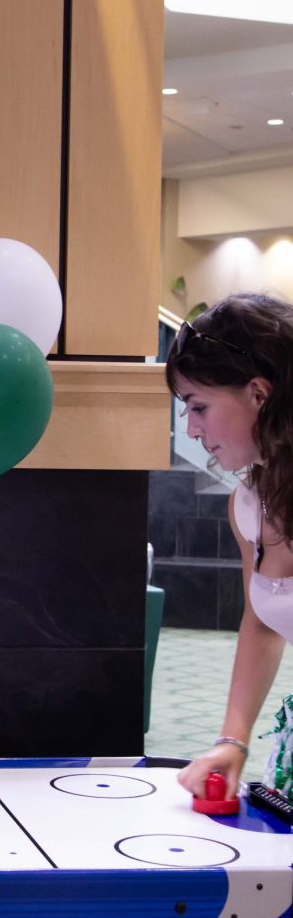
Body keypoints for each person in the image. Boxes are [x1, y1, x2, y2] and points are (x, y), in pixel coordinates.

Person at [165, 292, 293, 801]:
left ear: (260, 394)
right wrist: (231, 741)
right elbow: (262, 623)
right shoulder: (247, 506)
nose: (191, 429)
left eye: (199, 407)